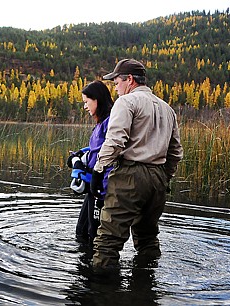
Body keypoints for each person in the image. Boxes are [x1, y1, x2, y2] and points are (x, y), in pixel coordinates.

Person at [90, 58, 183, 269]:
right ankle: (146, 287)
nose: (116, 90)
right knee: (148, 238)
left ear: (129, 80)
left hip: (130, 177)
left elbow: (115, 141)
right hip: (158, 179)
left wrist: (98, 170)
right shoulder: (167, 108)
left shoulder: (126, 102)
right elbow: (176, 152)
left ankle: (100, 293)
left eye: (116, 84)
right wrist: (163, 177)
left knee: (108, 241)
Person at [71, 80, 114, 242]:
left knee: (93, 235)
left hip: (101, 188)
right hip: (92, 186)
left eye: (86, 102)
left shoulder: (110, 123)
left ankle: (94, 266)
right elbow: (97, 150)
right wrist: (78, 157)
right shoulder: (101, 123)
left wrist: (101, 192)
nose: (85, 107)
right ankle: (83, 265)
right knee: (81, 232)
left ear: (96, 99)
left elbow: (112, 153)